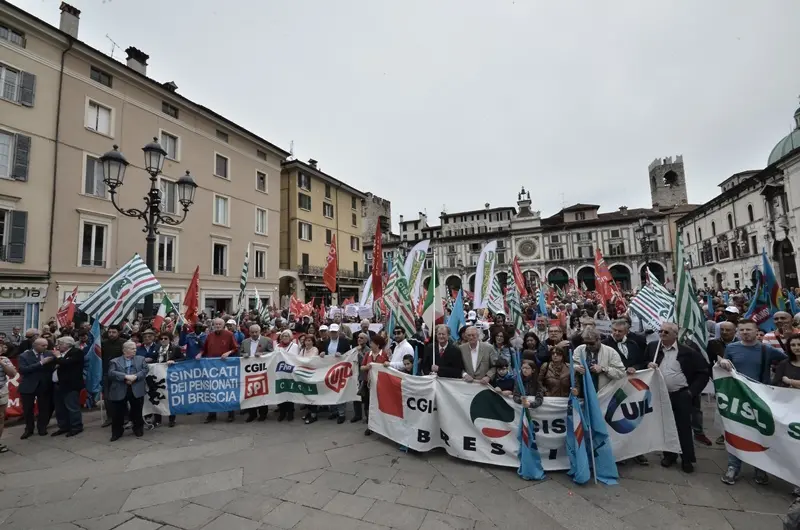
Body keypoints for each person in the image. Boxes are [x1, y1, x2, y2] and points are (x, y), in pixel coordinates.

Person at [719, 319, 786, 485]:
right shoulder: (731, 348)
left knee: (761, 434)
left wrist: (782, 380)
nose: (745, 332)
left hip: (760, 398)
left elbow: (788, 362)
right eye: (741, 330)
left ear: (757, 331)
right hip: (737, 397)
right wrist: (722, 362)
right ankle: (733, 467)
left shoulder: (767, 350)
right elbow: (724, 368)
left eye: (748, 329)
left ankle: (760, 469)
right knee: (735, 431)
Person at [645, 322, 709, 473]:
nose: (662, 334)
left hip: (681, 394)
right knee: (666, 426)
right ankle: (669, 455)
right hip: (660, 394)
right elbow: (643, 363)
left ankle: (687, 459)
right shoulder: (653, 347)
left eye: (666, 332)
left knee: (683, 427)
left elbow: (703, 372)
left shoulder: (689, 351)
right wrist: (648, 365)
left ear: (675, 334)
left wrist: (691, 392)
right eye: (660, 331)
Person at [199, 318, 239, 423]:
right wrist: (200, 353)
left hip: (225, 367)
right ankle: (212, 414)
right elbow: (205, 349)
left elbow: (236, 348)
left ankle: (230, 413)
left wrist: (228, 352)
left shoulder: (229, 335)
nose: (217, 326)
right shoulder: (210, 335)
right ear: (213, 325)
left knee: (227, 390)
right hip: (211, 367)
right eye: (215, 324)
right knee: (212, 390)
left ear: (223, 325)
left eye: (219, 324)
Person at [108, 341, 148, 441]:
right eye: (132, 348)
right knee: (118, 413)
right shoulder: (115, 361)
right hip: (120, 389)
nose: (135, 350)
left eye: (135, 348)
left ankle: (138, 428)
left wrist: (135, 377)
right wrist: (125, 377)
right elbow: (111, 373)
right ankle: (117, 432)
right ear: (125, 350)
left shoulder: (141, 359)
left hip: (136, 388)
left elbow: (145, 370)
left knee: (137, 410)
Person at [18, 338, 55, 439]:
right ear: (35, 346)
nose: (46, 347)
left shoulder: (49, 354)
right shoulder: (24, 356)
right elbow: (23, 370)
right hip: (29, 385)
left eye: (46, 345)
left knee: (44, 408)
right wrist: (41, 363)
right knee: (28, 409)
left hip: (44, 385)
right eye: (43, 345)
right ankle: (29, 429)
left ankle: (42, 427)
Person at [51, 336, 85, 437]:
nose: (58, 346)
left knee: (72, 407)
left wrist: (58, 357)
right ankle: (63, 426)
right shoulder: (61, 354)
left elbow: (67, 363)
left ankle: (76, 426)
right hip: (58, 384)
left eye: (60, 344)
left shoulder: (76, 352)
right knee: (59, 408)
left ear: (67, 344)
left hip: (70, 385)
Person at [239, 324, 273, 423]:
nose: (254, 334)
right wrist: (243, 355)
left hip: (262, 371)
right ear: (249, 332)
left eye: (256, 332)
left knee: (262, 392)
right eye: (252, 332)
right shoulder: (245, 342)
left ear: (260, 331)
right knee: (250, 393)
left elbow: (272, 353)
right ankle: (252, 414)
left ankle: (263, 414)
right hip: (248, 372)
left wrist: (263, 354)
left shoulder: (267, 340)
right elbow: (240, 353)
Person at [321, 324, 352, 423]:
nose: (333, 334)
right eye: (332, 332)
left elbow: (349, 354)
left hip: (340, 370)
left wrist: (342, 354)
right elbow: (324, 352)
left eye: (335, 332)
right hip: (328, 370)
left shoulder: (344, 342)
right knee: (330, 390)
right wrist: (322, 354)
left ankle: (341, 413)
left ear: (338, 332)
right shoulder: (326, 342)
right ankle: (333, 411)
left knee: (339, 390)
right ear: (329, 332)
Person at [153, 332, 184, 427]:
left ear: (169, 340)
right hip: (157, 376)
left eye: (165, 338)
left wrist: (174, 361)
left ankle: (171, 419)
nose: (163, 340)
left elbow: (183, 359)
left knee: (170, 398)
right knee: (157, 397)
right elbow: (154, 359)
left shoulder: (175, 348)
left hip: (169, 376)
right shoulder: (157, 348)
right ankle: (157, 419)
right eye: (161, 338)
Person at [361, 335, 389, 435]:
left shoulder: (384, 355)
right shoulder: (368, 354)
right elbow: (361, 367)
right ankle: (370, 425)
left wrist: (386, 363)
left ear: (377, 344)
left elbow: (388, 367)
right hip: (368, 384)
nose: (370, 344)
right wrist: (367, 367)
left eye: (372, 342)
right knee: (368, 405)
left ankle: (380, 424)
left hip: (380, 385)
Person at [100, 324, 125, 428]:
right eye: (109, 332)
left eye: (113, 332)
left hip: (120, 373)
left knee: (122, 395)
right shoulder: (103, 343)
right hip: (106, 372)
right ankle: (110, 417)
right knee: (107, 397)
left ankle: (125, 416)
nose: (111, 334)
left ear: (118, 332)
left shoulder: (123, 343)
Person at [274, 330, 299, 422]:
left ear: (290, 337)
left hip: (290, 371)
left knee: (290, 391)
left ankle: (290, 412)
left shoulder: (295, 346)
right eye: (283, 336)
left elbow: (297, 358)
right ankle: (282, 412)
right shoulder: (277, 346)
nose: (285, 337)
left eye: (287, 336)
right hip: (280, 372)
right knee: (281, 392)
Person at [0, 345, 18, 453]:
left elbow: (12, 374)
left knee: (0, 417)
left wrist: (2, 363)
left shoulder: (5, 360)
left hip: (1, 393)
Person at [351, 332, 370, 423]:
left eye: (362, 338)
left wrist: (358, 352)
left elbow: (365, 362)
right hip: (355, 375)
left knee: (365, 398)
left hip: (363, 376)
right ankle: (357, 415)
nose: (359, 339)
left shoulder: (368, 350)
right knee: (355, 396)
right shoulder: (355, 349)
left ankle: (367, 416)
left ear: (366, 340)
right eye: (358, 337)